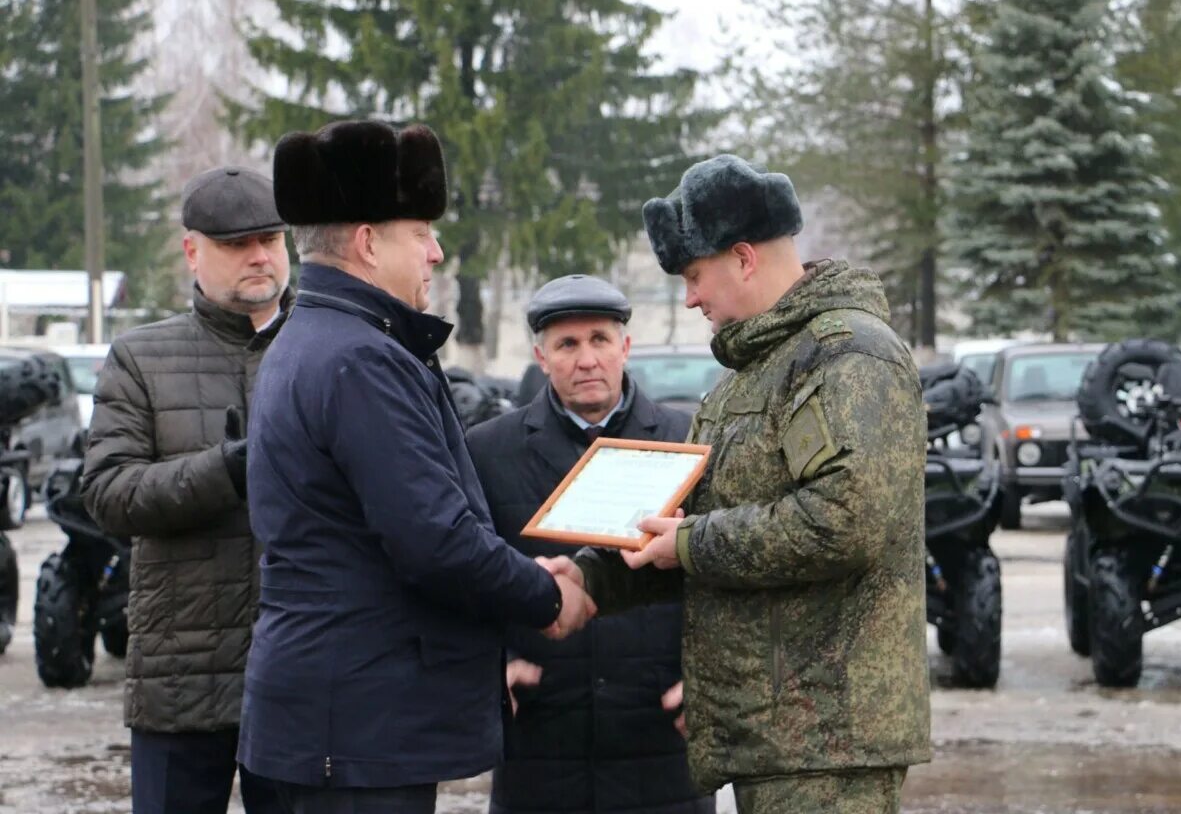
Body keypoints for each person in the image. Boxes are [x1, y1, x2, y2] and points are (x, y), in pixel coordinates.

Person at [548, 154, 932, 814]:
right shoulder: (750, 374)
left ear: (745, 258)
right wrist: (590, 578)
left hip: (827, 740)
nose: (690, 297)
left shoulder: (849, 354)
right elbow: (692, 517)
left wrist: (691, 543)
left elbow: (846, 520)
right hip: (774, 732)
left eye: (695, 276)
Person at [237, 119, 594, 814]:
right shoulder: (361, 358)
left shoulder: (317, 338)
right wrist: (545, 596)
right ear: (369, 242)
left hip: (331, 723)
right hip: (356, 735)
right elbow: (434, 538)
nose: (435, 251)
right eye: (420, 233)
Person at [81, 166, 292, 814]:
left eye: (270, 239)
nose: (258, 256)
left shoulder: (329, 347)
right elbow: (109, 492)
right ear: (192, 251)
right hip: (182, 683)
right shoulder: (141, 357)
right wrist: (224, 469)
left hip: (301, 679)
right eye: (236, 243)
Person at [466, 275, 715, 814]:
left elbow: (722, 574)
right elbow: (464, 579)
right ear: (541, 355)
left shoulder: (689, 442)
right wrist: (490, 668)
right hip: (540, 744)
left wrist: (710, 679)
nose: (587, 360)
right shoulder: (487, 453)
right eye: (567, 344)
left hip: (661, 741)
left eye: (600, 340)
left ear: (625, 347)